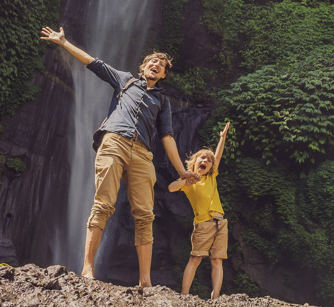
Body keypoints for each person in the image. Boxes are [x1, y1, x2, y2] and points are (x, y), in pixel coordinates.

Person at [39, 26, 199, 287]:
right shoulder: (125, 80)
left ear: (164, 75)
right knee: (103, 203)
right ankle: (87, 268)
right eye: (152, 61)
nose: (156, 64)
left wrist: (182, 172)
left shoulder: (163, 103)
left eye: (161, 64)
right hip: (114, 140)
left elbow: (167, 138)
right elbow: (94, 63)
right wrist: (64, 42)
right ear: (143, 66)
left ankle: (145, 281)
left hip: (143, 155)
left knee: (145, 215)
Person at [169, 121, 231, 299]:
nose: (206, 160)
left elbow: (218, 156)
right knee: (195, 258)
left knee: (217, 260)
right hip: (203, 224)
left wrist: (222, 138)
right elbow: (171, 187)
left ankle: (216, 297)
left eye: (208, 160)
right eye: (202, 158)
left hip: (221, 223)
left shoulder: (211, 177)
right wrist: (186, 180)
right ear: (194, 163)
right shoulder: (189, 183)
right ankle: (184, 294)